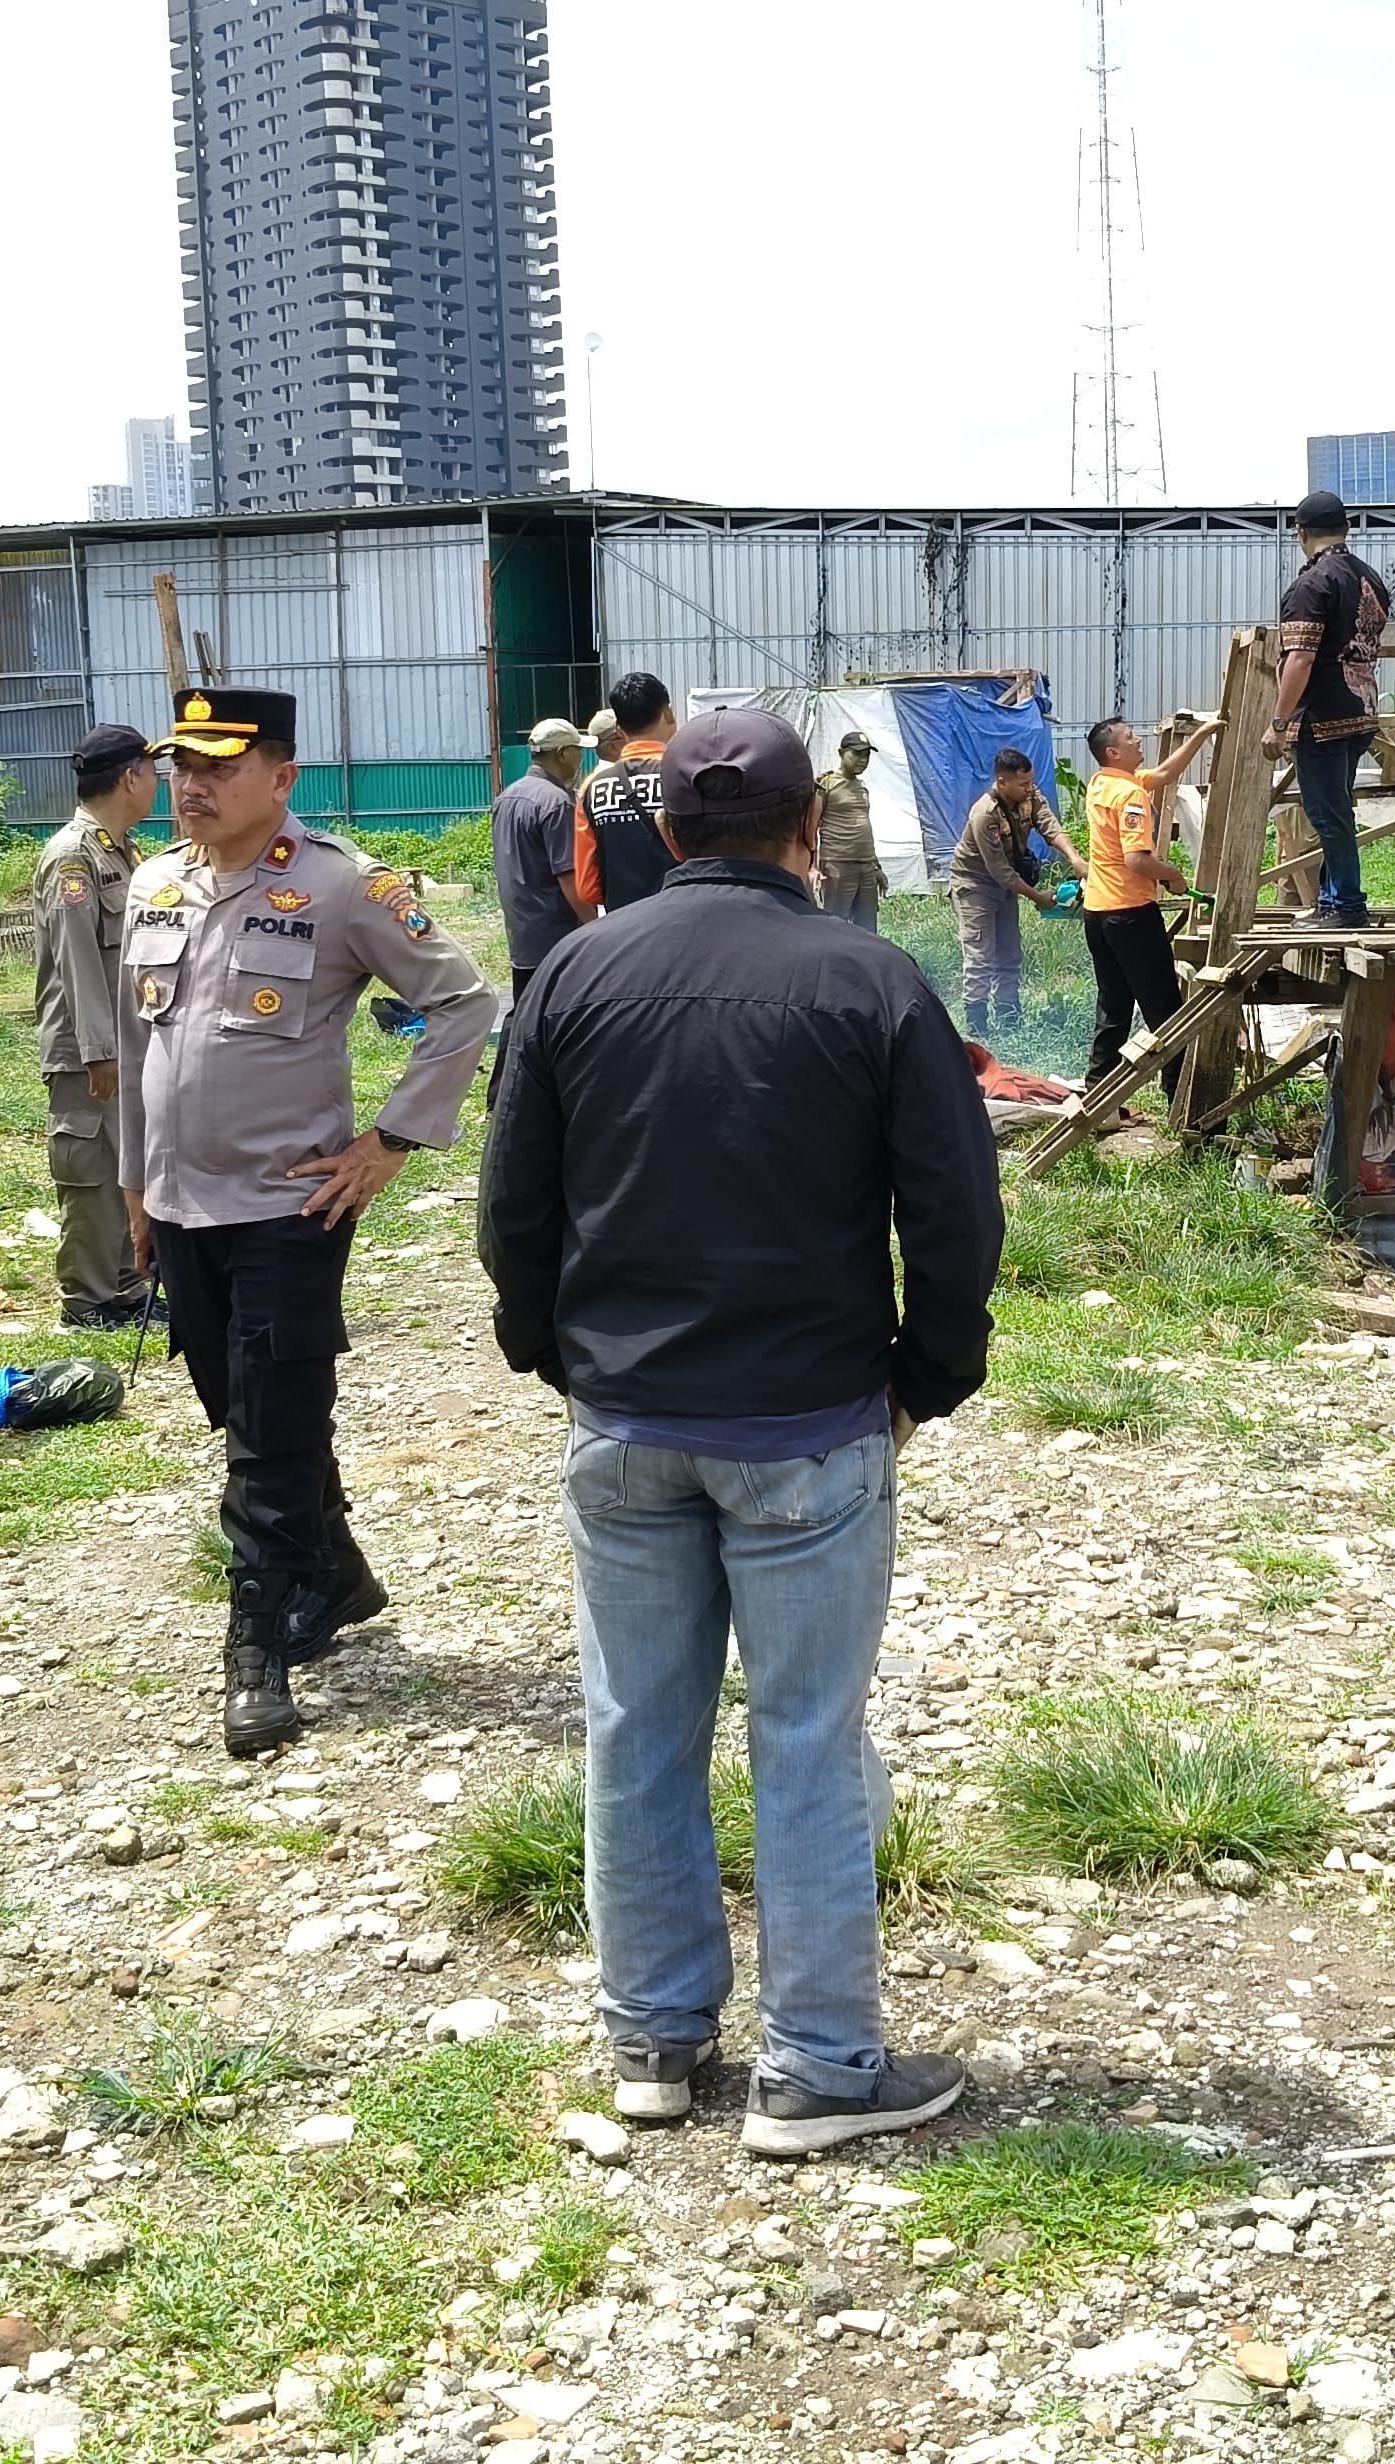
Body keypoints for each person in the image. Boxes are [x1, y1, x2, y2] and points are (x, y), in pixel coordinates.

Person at [478, 706, 1003, 2155]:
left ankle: (652, 2043)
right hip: (808, 1422)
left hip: (626, 1417)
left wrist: (554, 1356)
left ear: (664, 830)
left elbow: (513, 1201)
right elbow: (954, 1213)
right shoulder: (872, 979)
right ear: (800, 834)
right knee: (809, 1739)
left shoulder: (577, 974)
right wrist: (926, 1379)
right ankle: (821, 2071)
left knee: (636, 1727)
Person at [116, 686, 497, 1758]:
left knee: (268, 1428)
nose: (191, 785)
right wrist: (134, 1189)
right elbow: (139, 1048)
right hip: (182, 1202)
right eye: (181, 766)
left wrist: (389, 1143)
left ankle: (256, 1650)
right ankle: (334, 1574)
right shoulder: (152, 884)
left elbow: (464, 1004)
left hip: (291, 1201)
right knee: (237, 1406)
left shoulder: (344, 887)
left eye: (218, 767)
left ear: (280, 779)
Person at [32, 723, 158, 1329]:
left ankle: (127, 1285)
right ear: (129, 777)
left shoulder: (120, 849)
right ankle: (86, 1297)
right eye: (153, 772)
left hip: (123, 1038)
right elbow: (78, 959)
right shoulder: (73, 857)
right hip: (89, 1048)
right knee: (89, 1170)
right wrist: (98, 1050)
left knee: (125, 1164)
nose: (158, 784)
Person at [1261, 490, 1390, 927]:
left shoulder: (1312, 584)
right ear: (1345, 529)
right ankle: (1333, 901)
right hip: (1361, 707)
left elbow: (1299, 656)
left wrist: (1279, 722)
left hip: (1322, 715)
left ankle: (1348, 905)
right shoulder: (1368, 578)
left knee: (1327, 813)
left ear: (1301, 532)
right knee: (1336, 808)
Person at [1076, 715, 1211, 1083]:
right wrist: (1174, 875)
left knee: (1113, 1006)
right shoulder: (1130, 794)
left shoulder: (1102, 783)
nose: (1139, 741)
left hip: (1098, 914)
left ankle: (1097, 1093)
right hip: (1131, 914)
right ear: (1113, 751)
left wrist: (1202, 734)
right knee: (1164, 1008)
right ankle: (1180, 1098)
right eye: (1131, 738)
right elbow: (1137, 860)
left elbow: (1166, 773)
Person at [945, 748, 1071, 1037]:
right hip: (975, 885)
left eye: (1031, 783)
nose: (1030, 789)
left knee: (1010, 953)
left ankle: (1009, 1021)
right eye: (1023, 785)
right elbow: (1000, 871)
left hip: (1006, 884)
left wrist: (1075, 860)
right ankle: (978, 1029)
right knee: (980, 957)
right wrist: (1038, 897)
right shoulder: (984, 814)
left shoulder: (1027, 795)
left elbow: (1049, 826)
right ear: (1002, 782)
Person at [491, 717, 596, 996]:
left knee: (526, 1017)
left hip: (522, 933)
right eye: (578, 750)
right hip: (557, 935)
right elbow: (569, 875)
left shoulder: (507, 798)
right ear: (563, 754)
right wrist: (595, 926)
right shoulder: (556, 801)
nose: (581, 758)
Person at [569, 676, 677, 918]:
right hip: (683, 926)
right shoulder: (687, 777)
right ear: (668, 714)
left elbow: (587, 888)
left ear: (619, 727)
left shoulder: (592, 788)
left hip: (623, 930)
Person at [811, 731, 887, 930]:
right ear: (841, 753)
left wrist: (876, 866)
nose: (862, 760)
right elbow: (810, 828)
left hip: (866, 867)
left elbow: (865, 829)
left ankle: (866, 962)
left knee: (868, 928)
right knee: (836, 926)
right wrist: (813, 868)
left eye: (866, 756)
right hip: (838, 865)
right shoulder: (825, 785)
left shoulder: (861, 787)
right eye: (857, 754)